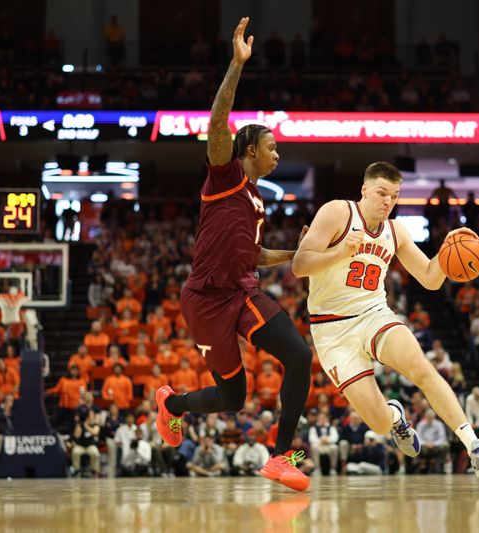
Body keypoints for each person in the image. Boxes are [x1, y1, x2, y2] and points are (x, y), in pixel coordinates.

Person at [156, 17, 312, 492]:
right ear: (248, 150)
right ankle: (173, 405)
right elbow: (217, 120)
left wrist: (294, 253)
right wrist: (236, 64)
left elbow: (254, 255)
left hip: (242, 292)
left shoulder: (260, 200)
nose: (278, 154)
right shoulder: (225, 177)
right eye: (272, 147)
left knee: (300, 358)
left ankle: (282, 456)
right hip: (205, 300)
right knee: (232, 398)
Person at [292, 161, 479, 478]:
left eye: (394, 196)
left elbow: (431, 279)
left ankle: (475, 447)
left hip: (373, 314)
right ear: (364, 190)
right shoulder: (338, 212)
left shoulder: (396, 231)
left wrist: (450, 249)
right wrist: (339, 253)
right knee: (378, 423)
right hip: (331, 329)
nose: (387, 202)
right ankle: (395, 417)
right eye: (381, 193)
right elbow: (299, 265)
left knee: (421, 367)